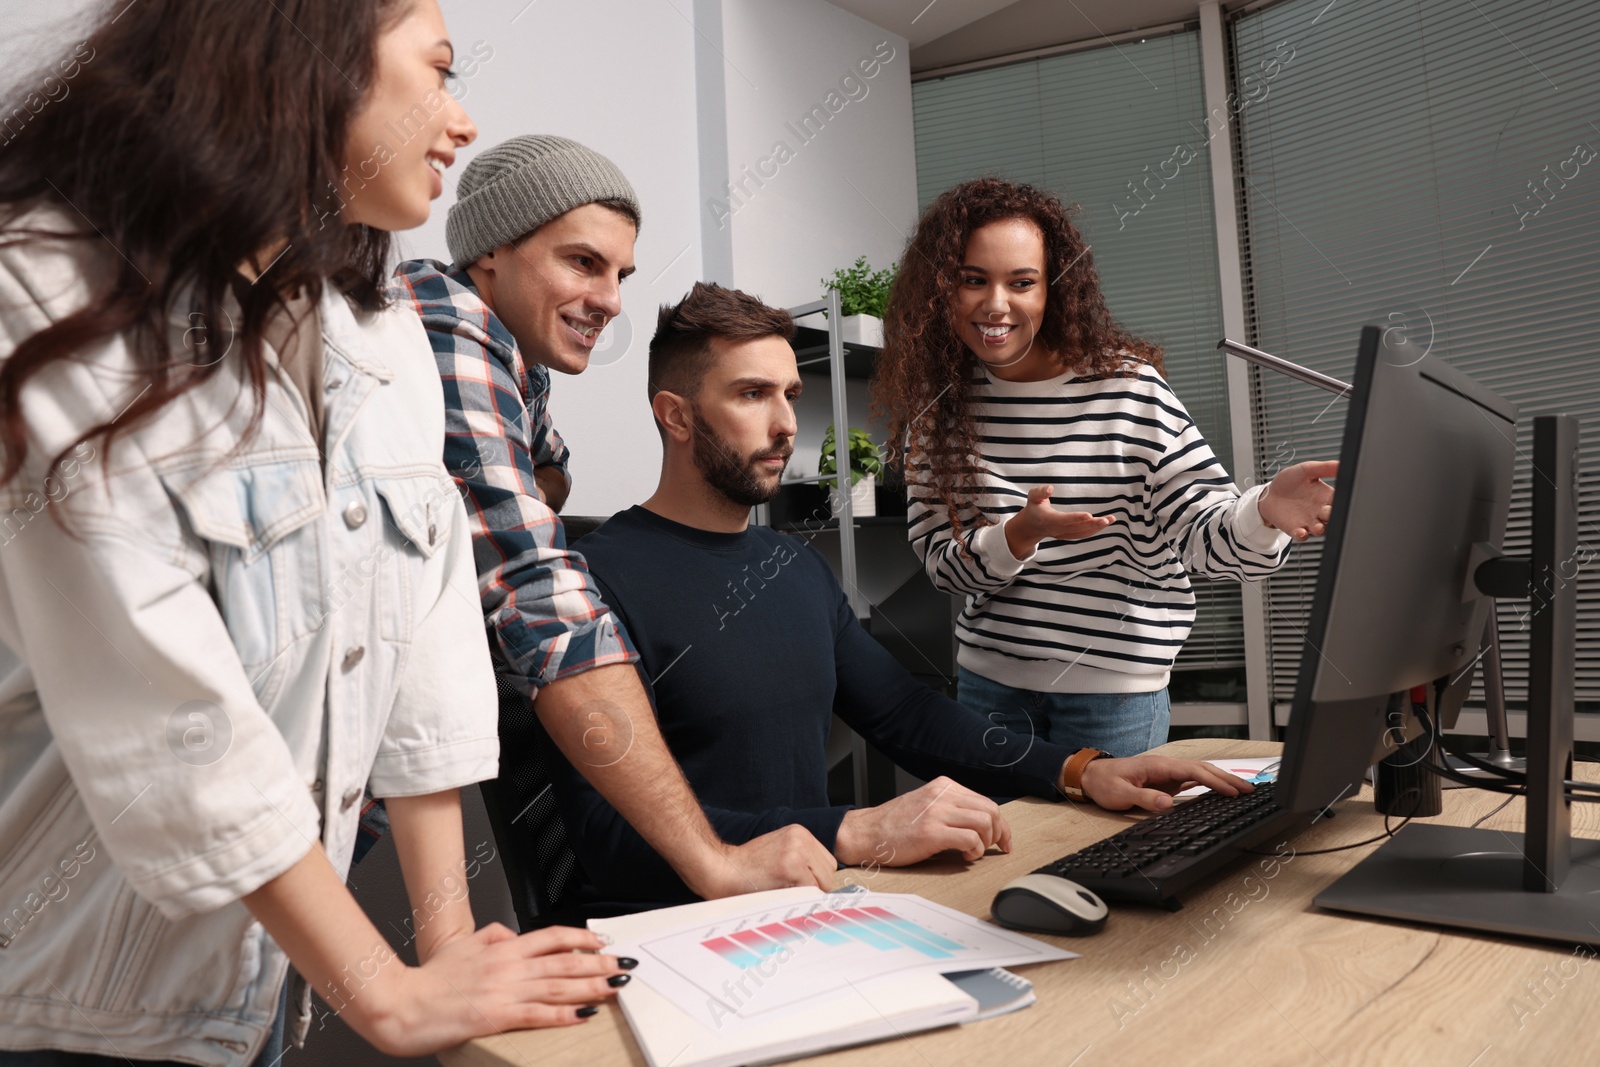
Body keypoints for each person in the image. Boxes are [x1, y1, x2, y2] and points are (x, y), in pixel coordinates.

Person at [0, 4, 630, 1064]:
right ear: (311, 59)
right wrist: (384, 992)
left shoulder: (377, 328)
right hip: (58, 1003)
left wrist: (447, 951)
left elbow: (427, 657)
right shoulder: (42, 283)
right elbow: (169, 704)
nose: (461, 119)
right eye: (436, 72)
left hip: (253, 999)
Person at [548, 281, 1254, 912]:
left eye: (790, 394)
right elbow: (605, 835)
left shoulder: (792, 565)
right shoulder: (588, 581)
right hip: (666, 935)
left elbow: (908, 714)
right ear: (675, 415)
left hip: (802, 906)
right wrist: (856, 828)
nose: (787, 423)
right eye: (751, 393)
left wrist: (1080, 769)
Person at [390, 136, 836, 911]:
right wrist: (715, 860)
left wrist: (498, 499)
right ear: (493, 251)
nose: (612, 300)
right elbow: (540, 596)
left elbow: (552, 469)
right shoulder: (450, 331)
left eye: (621, 275)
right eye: (583, 263)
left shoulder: (516, 362)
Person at [872, 178, 1337, 756]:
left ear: (1054, 290)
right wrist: (1017, 536)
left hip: (1115, 700)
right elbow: (945, 570)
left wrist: (1264, 512)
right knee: (1006, 849)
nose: (996, 304)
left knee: (1114, 850)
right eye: (973, 280)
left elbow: (1200, 539)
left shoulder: (1128, 389)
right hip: (989, 689)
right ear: (941, 290)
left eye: (1022, 282)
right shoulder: (938, 413)